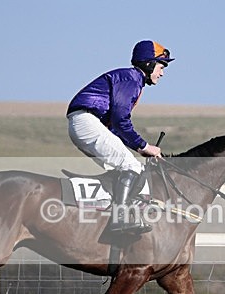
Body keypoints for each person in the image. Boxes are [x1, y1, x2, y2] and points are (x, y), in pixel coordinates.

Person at [66, 40, 173, 234]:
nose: (162, 72)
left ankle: (108, 214)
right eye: (160, 66)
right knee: (131, 166)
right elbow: (120, 120)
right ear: (149, 64)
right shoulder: (131, 78)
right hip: (86, 121)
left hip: (86, 123)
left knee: (125, 168)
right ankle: (119, 220)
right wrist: (144, 146)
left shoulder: (131, 79)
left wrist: (141, 149)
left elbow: (116, 128)